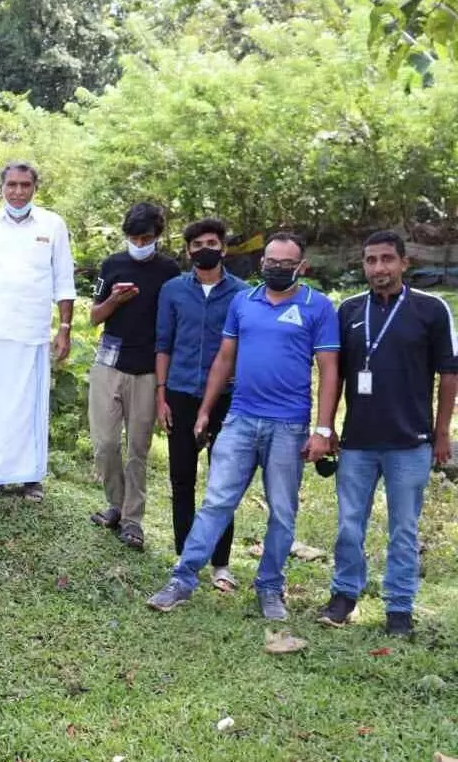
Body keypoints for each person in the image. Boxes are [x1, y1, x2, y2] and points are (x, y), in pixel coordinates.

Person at [148, 232, 339, 620]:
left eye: (287, 264)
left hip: (288, 426)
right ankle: (182, 579)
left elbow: (329, 369)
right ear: (261, 262)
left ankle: (269, 587)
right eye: (272, 262)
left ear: (301, 267)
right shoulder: (244, 301)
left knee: (282, 511)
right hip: (240, 418)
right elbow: (224, 359)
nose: (278, 269)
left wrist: (322, 430)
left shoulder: (317, 306)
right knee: (217, 501)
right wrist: (205, 410)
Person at [317, 231, 457, 637]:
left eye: (386, 260)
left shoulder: (432, 309)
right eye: (371, 260)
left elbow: (449, 374)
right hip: (358, 441)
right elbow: (334, 374)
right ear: (363, 265)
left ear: (404, 263)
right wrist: (326, 428)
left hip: (410, 442)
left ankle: (399, 608)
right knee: (348, 524)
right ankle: (344, 595)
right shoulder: (348, 310)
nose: (379, 268)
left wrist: (441, 432)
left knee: (404, 528)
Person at [0, 162, 75, 502]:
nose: (17, 191)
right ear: (1, 187)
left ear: (34, 188)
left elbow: (64, 280)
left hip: (33, 331)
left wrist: (65, 328)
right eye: (11, 184)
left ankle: (30, 478)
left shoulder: (52, 224)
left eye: (25, 185)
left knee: (30, 404)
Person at [154, 218, 249, 591]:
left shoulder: (242, 293)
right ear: (189, 251)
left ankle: (221, 563)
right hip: (179, 392)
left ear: (223, 248)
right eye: (196, 245)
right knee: (182, 478)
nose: (204, 249)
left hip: (227, 398)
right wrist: (161, 395)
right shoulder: (173, 290)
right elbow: (164, 342)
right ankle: (183, 555)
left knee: (222, 482)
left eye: (211, 242)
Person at [87, 203, 180, 550]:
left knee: (137, 448)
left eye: (146, 238)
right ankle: (115, 503)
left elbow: (173, 321)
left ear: (157, 236)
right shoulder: (112, 264)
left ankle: (132, 520)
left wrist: (164, 382)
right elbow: (95, 317)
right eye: (133, 237)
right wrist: (114, 300)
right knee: (106, 443)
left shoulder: (170, 271)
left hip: (147, 368)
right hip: (109, 363)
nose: (139, 243)